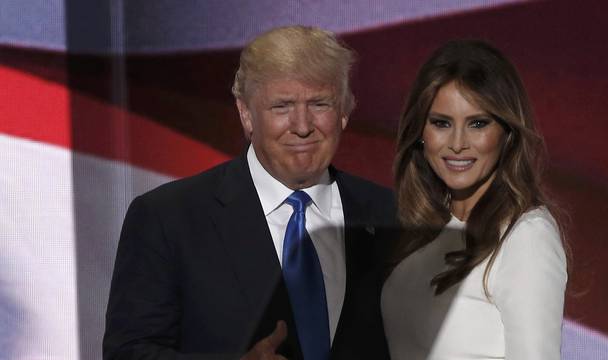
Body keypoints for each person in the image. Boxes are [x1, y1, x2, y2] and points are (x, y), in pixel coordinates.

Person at [103, 25, 394, 360]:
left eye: (319, 103)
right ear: (246, 114)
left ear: (344, 111)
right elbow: (127, 353)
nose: (302, 126)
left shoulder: (390, 215)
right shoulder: (168, 218)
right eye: (282, 106)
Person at [381, 40, 568, 359]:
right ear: (421, 132)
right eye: (441, 123)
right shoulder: (424, 227)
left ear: (507, 133)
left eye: (478, 124)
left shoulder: (526, 237)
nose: (457, 144)